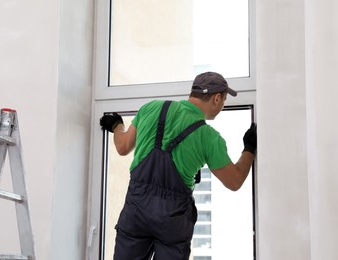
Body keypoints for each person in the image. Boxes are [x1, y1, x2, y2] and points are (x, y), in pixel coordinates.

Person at [99, 71, 257, 260]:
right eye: (224, 100)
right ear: (216, 98)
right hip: (173, 219)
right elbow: (234, 181)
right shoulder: (209, 137)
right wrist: (249, 148)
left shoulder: (151, 108)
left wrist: (117, 125)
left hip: (137, 211)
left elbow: (123, 146)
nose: (223, 105)